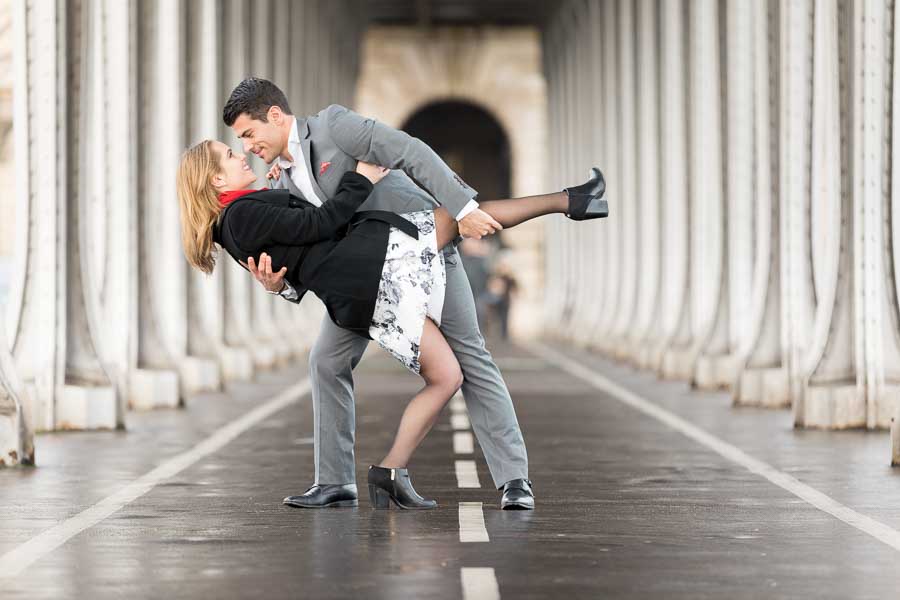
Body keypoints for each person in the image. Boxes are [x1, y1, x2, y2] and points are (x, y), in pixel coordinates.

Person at [220, 77, 607, 511]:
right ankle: (333, 482)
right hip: (362, 280)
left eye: (249, 134)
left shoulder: (334, 127)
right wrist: (281, 286)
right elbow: (306, 243)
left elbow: (410, 151)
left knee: (470, 357)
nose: (249, 146)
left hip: (420, 248)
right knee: (326, 362)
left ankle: (514, 480)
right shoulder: (278, 183)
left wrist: (462, 210)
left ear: (275, 116)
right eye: (241, 141)